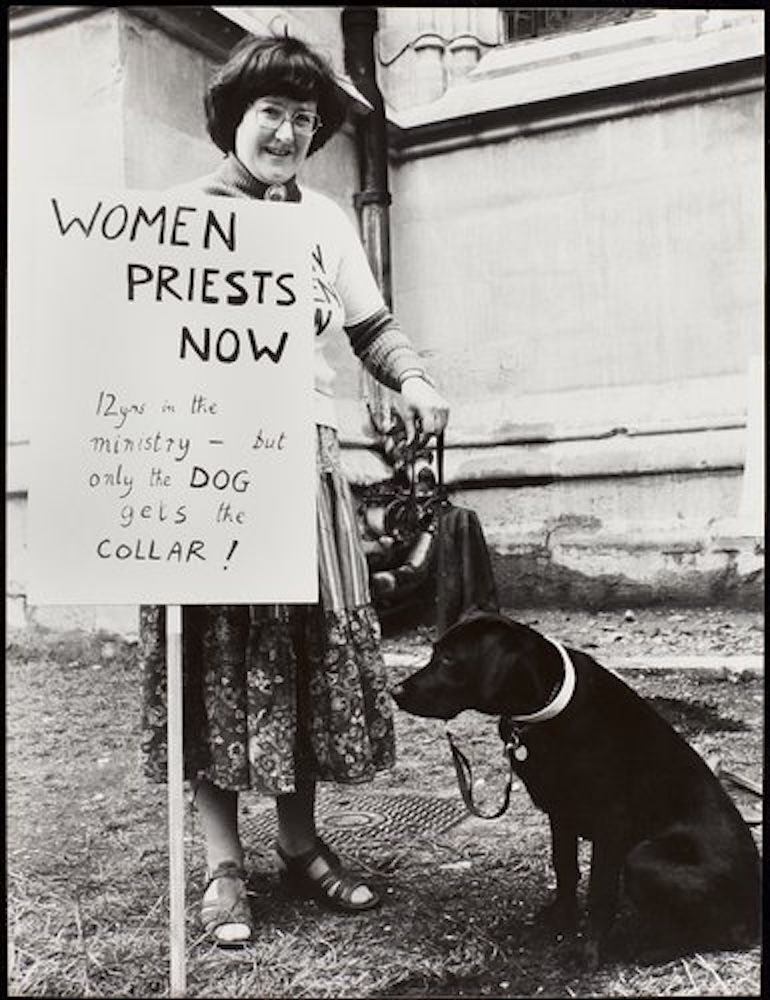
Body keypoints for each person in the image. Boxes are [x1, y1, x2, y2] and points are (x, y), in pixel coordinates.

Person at [139, 32, 450, 948]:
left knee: (296, 652)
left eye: (304, 120)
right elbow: (130, 335)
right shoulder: (177, 216)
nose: (286, 132)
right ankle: (223, 866)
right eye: (271, 112)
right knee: (217, 653)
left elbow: (369, 326)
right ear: (235, 118)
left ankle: (303, 847)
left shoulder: (321, 221)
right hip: (205, 459)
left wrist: (416, 380)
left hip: (303, 460)